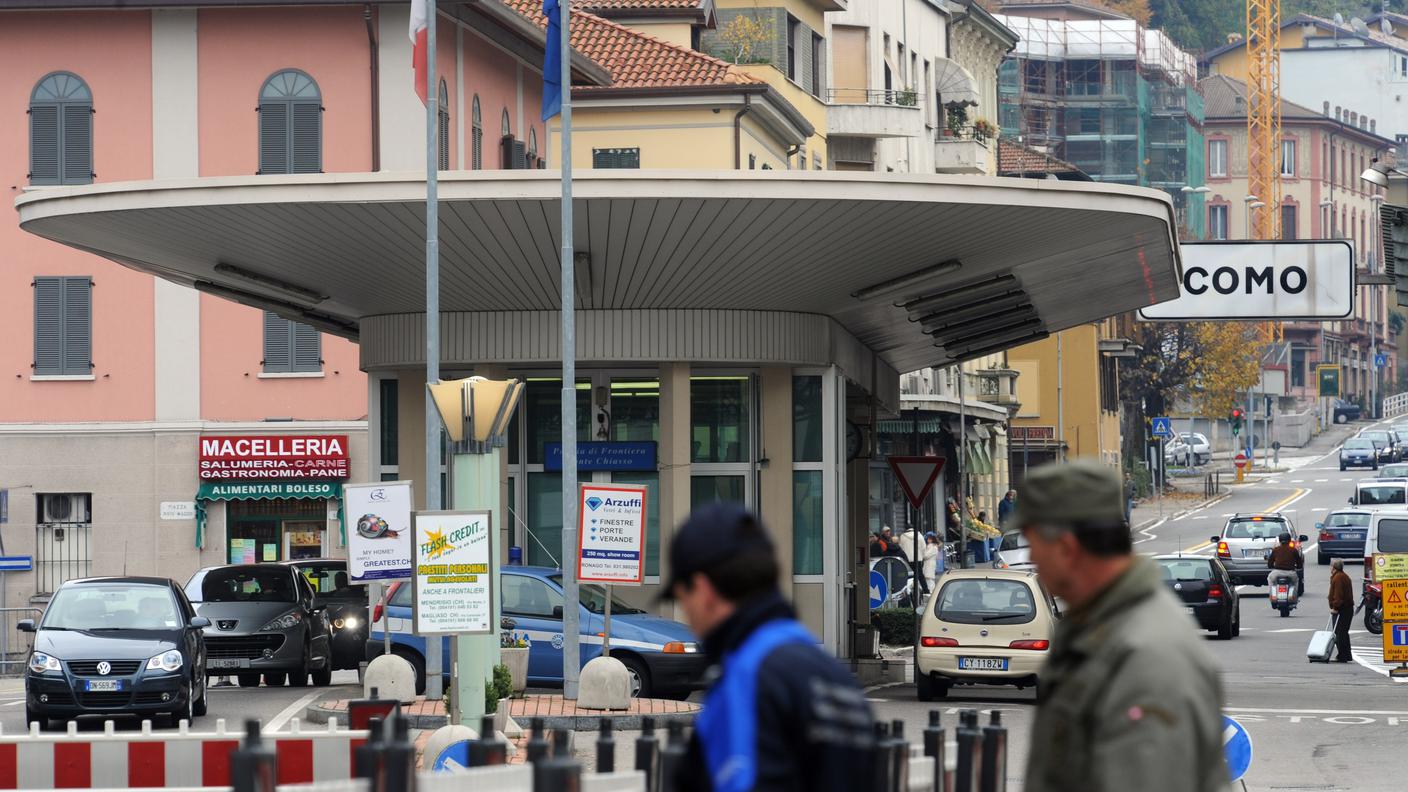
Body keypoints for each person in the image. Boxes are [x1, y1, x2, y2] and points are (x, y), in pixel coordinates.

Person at [1015, 460, 1227, 792]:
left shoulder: (1147, 656)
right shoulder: (1098, 627)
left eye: (1032, 543)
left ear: (1066, 547)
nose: (1031, 559)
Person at [664, 504, 875, 792]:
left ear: (703, 590)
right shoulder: (835, 677)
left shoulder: (746, 677)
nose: (686, 614)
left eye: (680, 597)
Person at [1328, 557, 1355, 663]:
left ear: (1334, 567)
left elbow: (1338, 595)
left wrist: (1335, 607)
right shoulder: (1342, 576)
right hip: (1346, 609)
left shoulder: (1338, 578)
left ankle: (1343, 655)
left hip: (1342, 609)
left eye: (1331, 566)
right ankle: (1346, 655)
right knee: (1343, 632)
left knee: (1340, 633)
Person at [1267, 531, 1304, 598]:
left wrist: (1272, 566)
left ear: (1280, 540)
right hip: (1290, 573)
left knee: (1270, 578)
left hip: (1277, 573)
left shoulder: (1276, 550)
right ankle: (1294, 596)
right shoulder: (1293, 550)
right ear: (1289, 540)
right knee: (1295, 582)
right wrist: (1298, 567)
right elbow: (1299, 563)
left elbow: (1270, 563)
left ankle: (1272, 596)